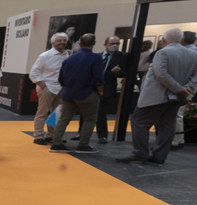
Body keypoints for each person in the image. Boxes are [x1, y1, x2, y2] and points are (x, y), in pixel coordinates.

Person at [118, 27, 197, 164]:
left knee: (139, 122)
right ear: (181, 40)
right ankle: (159, 156)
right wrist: (186, 89)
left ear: (163, 40)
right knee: (167, 125)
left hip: (156, 96)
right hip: (177, 98)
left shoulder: (162, 53)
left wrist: (179, 89)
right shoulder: (193, 54)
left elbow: (162, 74)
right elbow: (195, 75)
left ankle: (140, 153)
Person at [50, 34, 105, 153]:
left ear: (79, 44)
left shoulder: (69, 59)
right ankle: (83, 145)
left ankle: (56, 144)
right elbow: (98, 78)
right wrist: (100, 90)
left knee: (63, 119)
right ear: (94, 43)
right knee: (89, 119)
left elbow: (61, 79)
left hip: (68, 93)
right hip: (87, 93)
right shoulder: (95, 58)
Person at [30, 34, 68, 144]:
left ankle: (51, 135)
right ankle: (38, 136)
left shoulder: (67, 55)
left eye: (64, 40)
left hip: (61, 88)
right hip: (47, 87)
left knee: (56, 113)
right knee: (42, 113)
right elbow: (33, 73)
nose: (62, 42)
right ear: (53, 43)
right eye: (59, 40)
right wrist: (43, 86)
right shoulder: (44, 56)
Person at [95, 36, 128, 144]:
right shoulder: (97, 56)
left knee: (100, 111)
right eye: (112, 43)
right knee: (88, 110)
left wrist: (117, 72)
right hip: (93, 86)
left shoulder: (122, 56)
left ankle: (102, 135)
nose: (115, 45)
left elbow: (124, 72)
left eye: (117, 43)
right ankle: (80, 132)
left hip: (107, 87)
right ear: (105, 44)